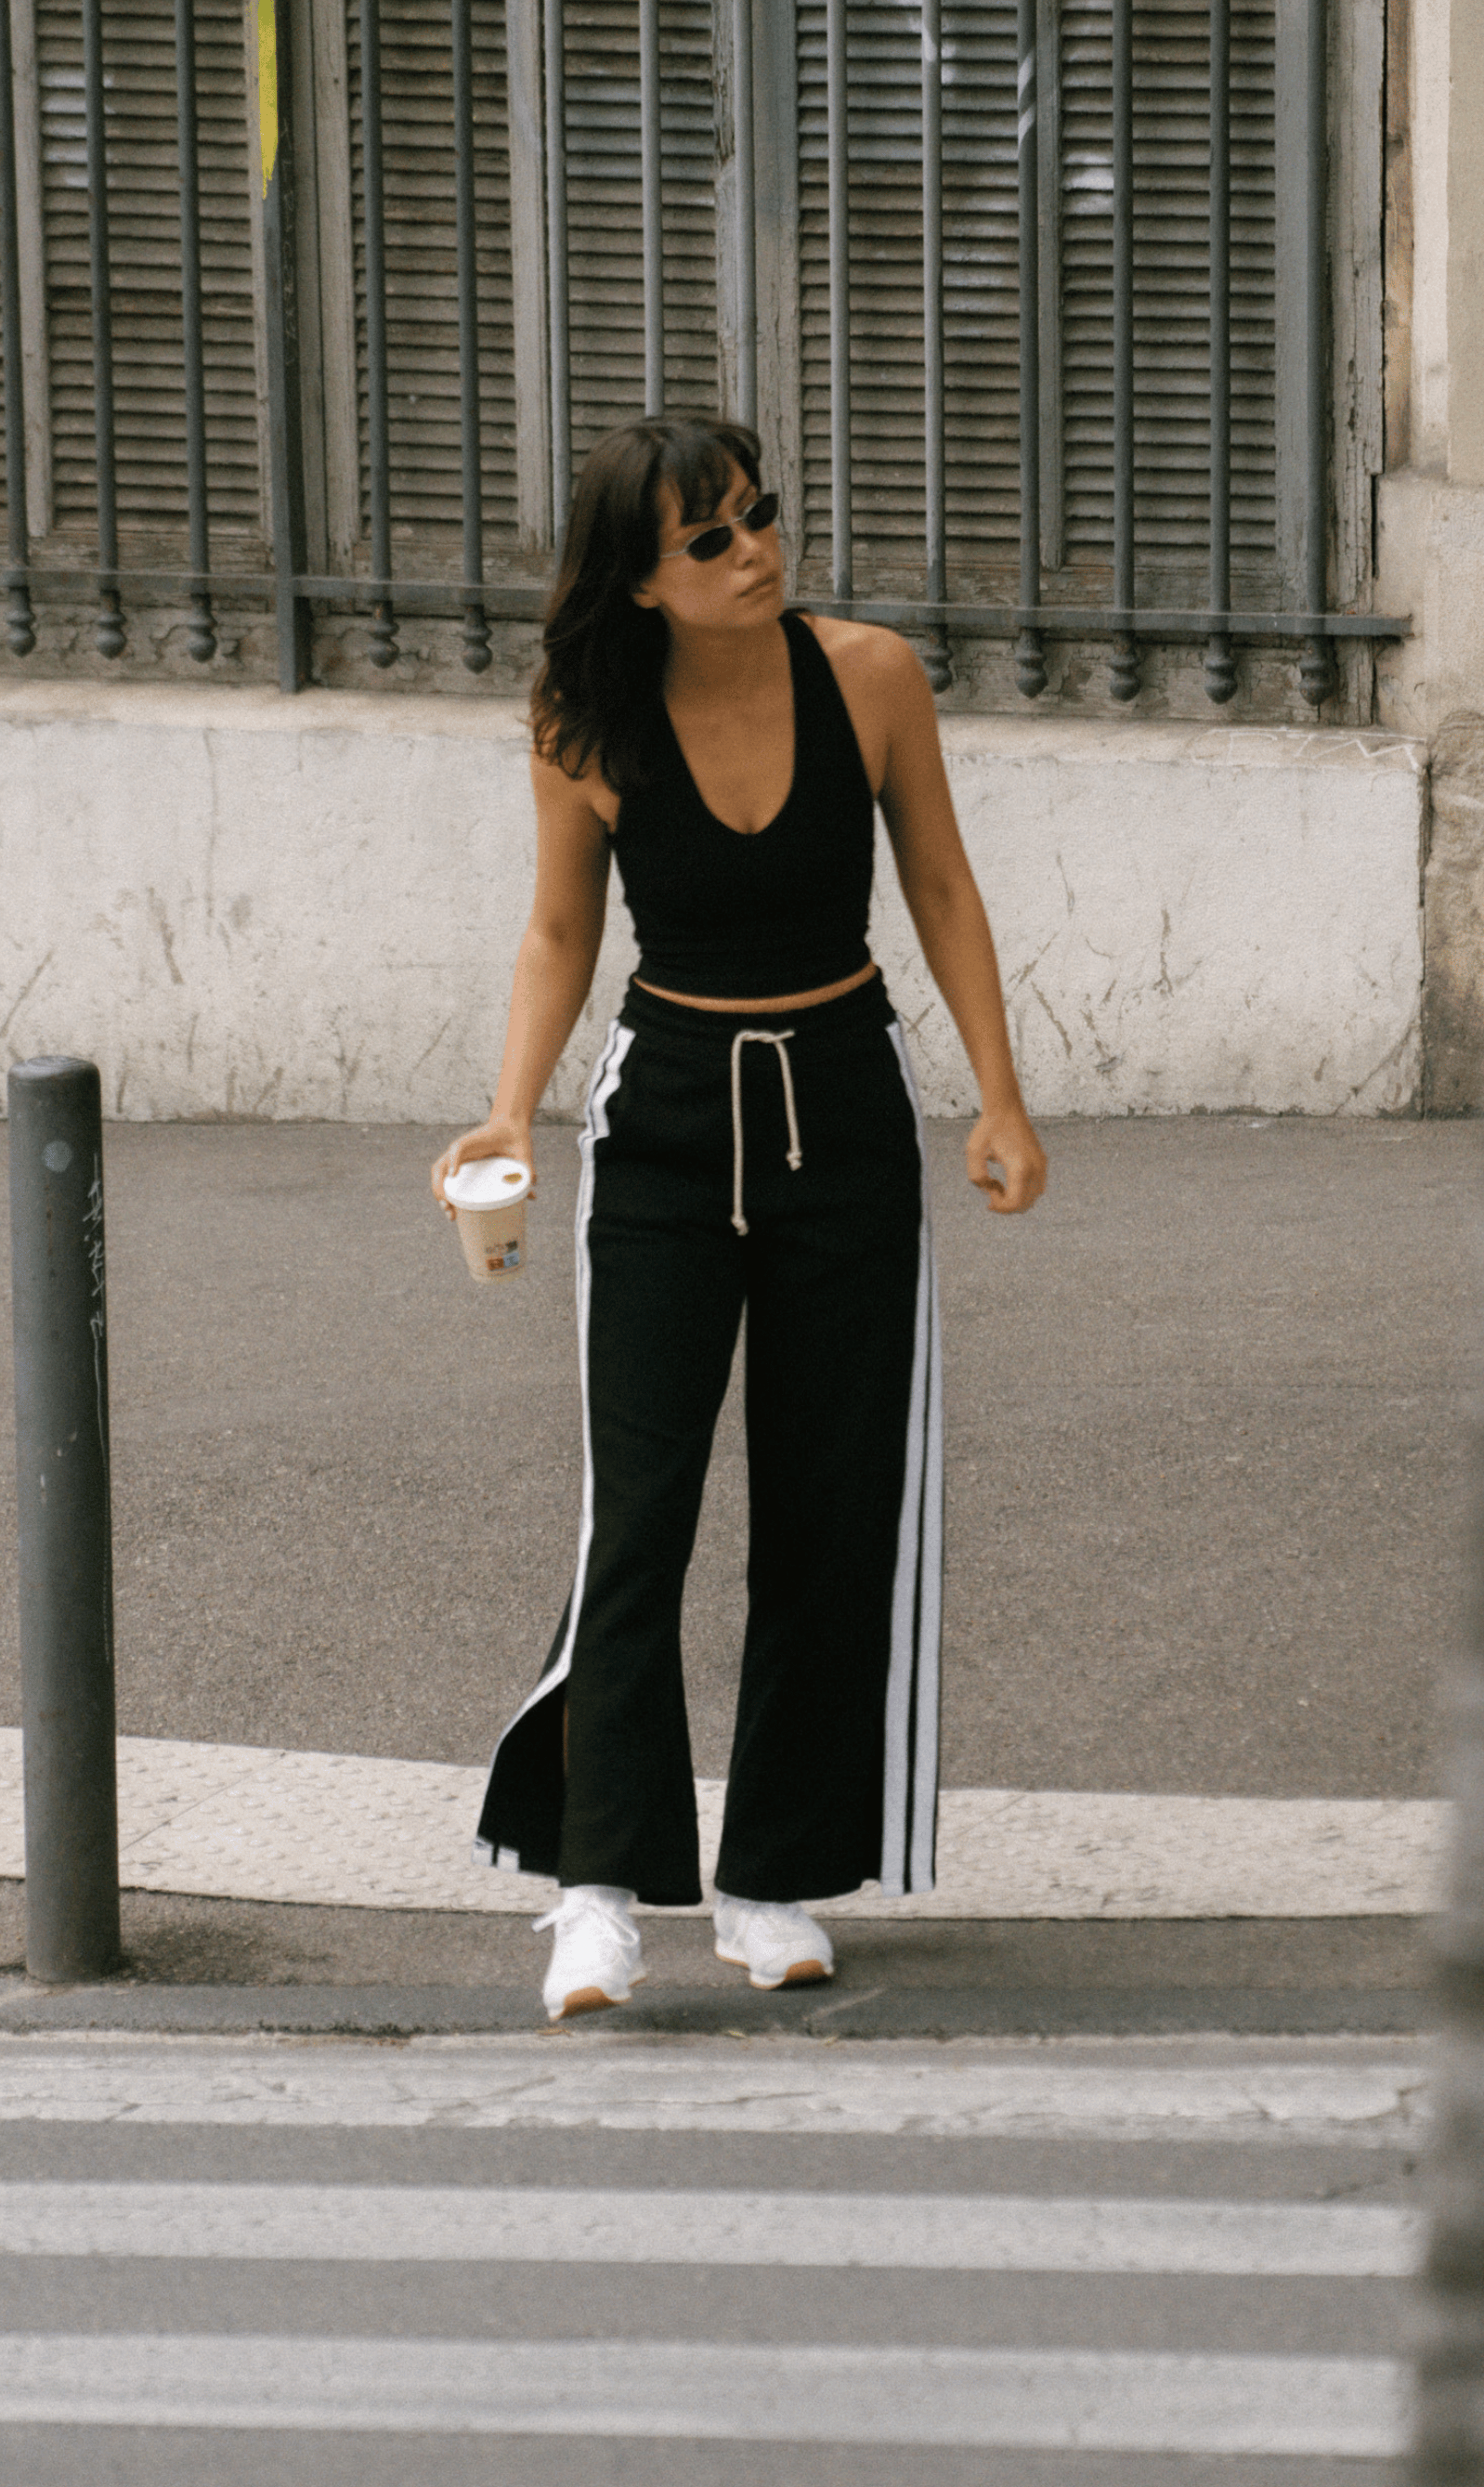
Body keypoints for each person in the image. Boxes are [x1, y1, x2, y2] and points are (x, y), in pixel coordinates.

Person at [432, 413, 1047, 2020]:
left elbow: (943, 887)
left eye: (761, 516)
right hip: (669, 1121)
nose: (755, 550)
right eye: (709, 539)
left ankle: (771, 1873)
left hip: (844, 1105)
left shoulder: (871, 677)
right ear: (638, 581)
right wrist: (511, 1104)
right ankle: (596, 1891)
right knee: (637, 1513)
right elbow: (559, 930)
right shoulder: (587, 721)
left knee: (833, 1505)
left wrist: (998, 1092)